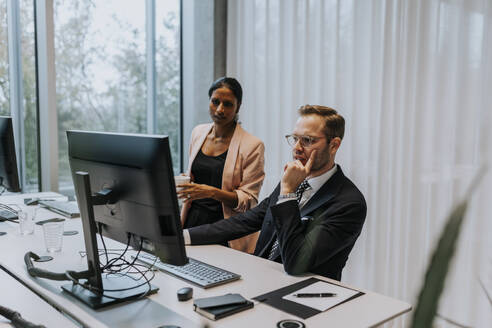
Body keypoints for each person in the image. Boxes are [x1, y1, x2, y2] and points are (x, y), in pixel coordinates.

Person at [184, 105, 366, 281]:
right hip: (261, 280)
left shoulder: (349, 203)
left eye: (308, 140)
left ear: (334, 145)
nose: (296, 148)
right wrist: (182, 237)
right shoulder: (293, 182)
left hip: (302, 298)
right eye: (295, 139)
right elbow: (245, 222)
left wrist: (287, 193)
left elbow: (296, 263)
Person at [177, 77, 265, 254]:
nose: (220, 109)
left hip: (225, 228)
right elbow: (196, 174)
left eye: (228, 104)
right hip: (192, 219)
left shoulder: (252, 145)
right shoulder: (198, 132)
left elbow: (248, 200)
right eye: (215, 102)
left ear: (238, 106)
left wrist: (211, 192)